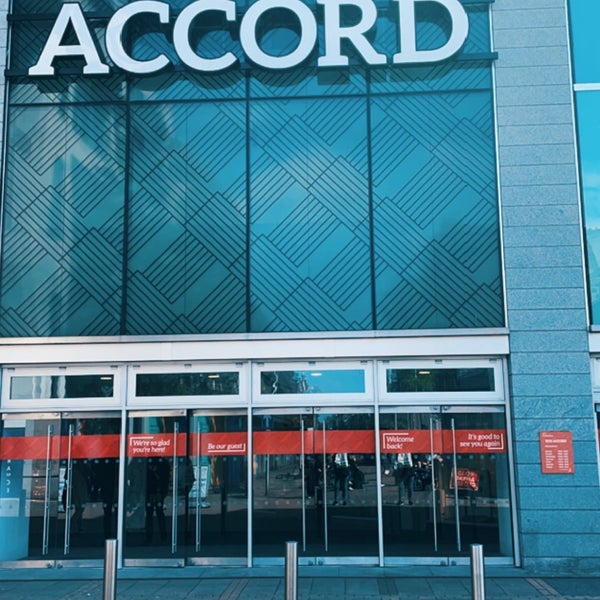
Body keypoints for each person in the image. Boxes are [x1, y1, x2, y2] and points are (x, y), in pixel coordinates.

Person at [145, 458, 170, 543]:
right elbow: (166, 478)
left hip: (152, 490)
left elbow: (165, 477)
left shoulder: (149, 462)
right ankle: (162, 535)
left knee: (151, 513)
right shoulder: (162, 462)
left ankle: (151, 536)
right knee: (157, 512)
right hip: (153, 490)